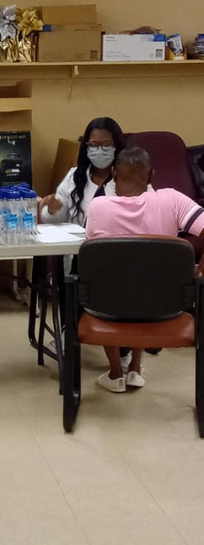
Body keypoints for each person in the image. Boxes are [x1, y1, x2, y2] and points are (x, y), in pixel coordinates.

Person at [86, 146, 204, 393]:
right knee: (144, 281)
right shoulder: (172, 200)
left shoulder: (98, 207)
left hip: (109, 308)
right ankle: (136, 369)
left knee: (113, 281)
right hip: (165, 307)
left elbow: (97, 262)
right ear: (151, 176)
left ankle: (116, 372)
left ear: (114, 174)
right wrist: (201, 268)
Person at [40, 117, 126, 227]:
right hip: (79, 242)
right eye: (93, 145)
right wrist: (52, 211)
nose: (99, 150)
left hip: (116, 241)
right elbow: (54, 221)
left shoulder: (130, 176)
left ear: (117, 145)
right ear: (86, 147)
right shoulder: (75, 176)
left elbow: (148, 207)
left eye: (106, 144)